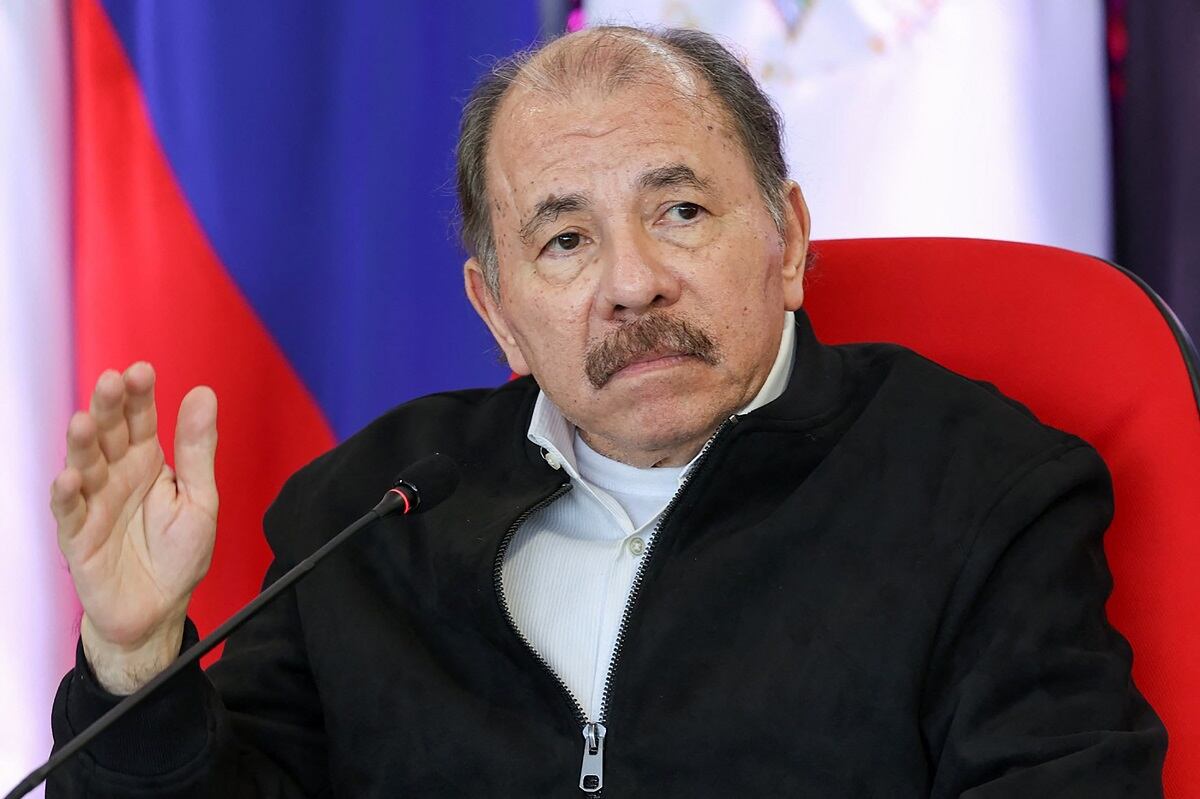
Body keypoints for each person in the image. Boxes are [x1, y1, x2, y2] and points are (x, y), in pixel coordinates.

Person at [47, 25, 1165, 797]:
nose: (632, 283)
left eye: (679, 209)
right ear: (498, 310)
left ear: (787, 241)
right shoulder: (369, 514)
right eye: (566, 240)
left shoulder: (979, 489)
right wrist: (135, 660)